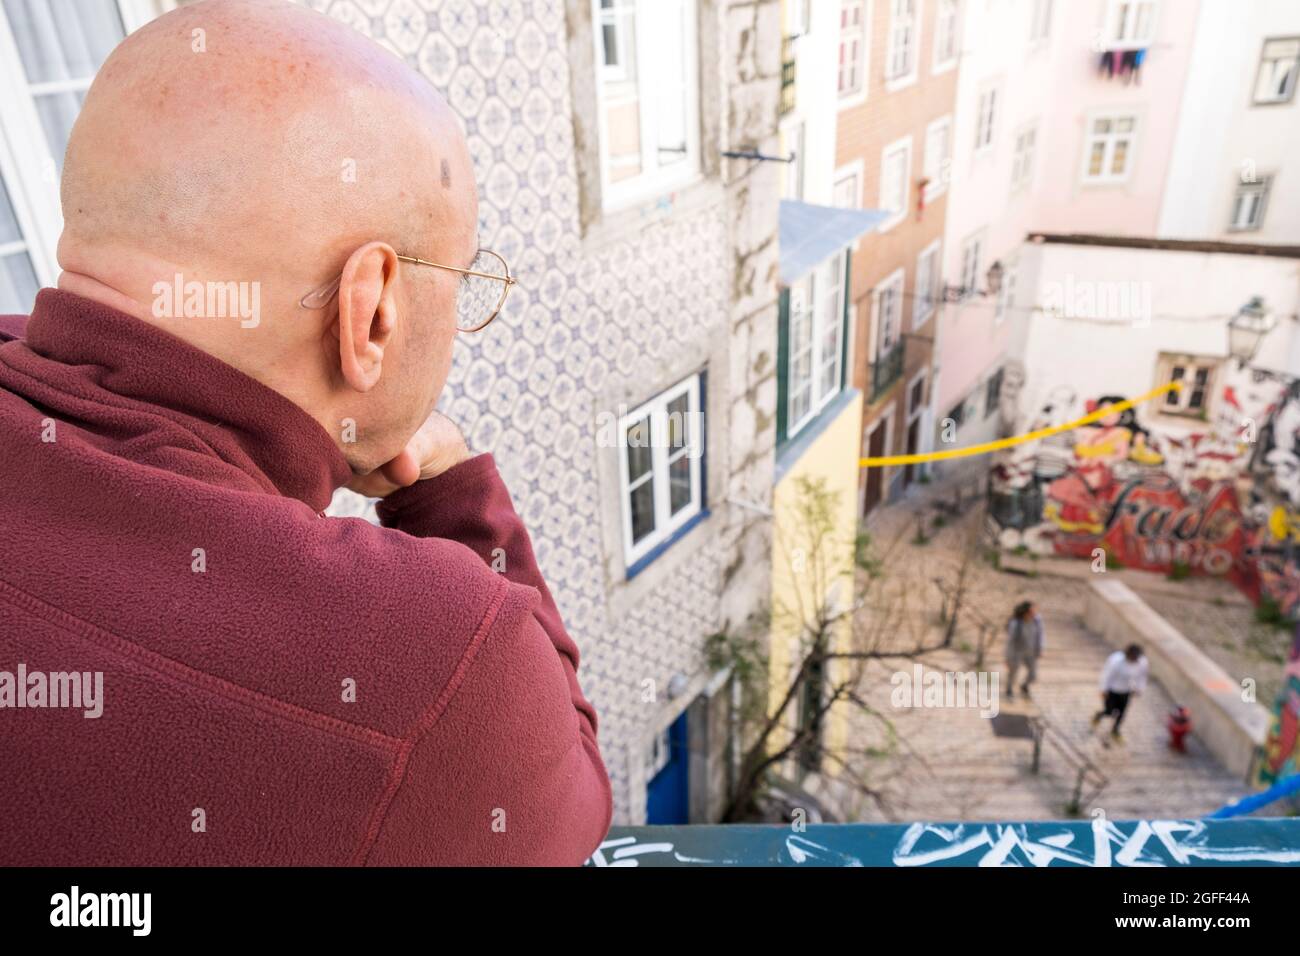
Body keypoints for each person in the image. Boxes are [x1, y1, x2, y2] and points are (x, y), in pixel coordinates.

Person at [0, 0, 611, 865]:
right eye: (462, 279)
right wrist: (456, 496)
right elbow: (571, 800)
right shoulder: (438, 672)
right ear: (369, 312)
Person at [1093, 643, 1149, 744]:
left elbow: (1142, 676)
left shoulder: (1142, 662)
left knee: (1122, 713)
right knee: (1109, 711)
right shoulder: (1116, 661)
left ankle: (1115, 730)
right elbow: (1107, 675)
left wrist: (1139, 689)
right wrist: (1103, 689)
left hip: (1126, 691)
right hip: (1113, 690)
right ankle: (1098, 715)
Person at [1005, 600, 1044, 701]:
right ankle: (1009, 689)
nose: (1034, 613)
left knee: (1033, 674)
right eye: (1031, 611)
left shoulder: (1036, 621)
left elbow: (1040, 636)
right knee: (1013, 672)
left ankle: (1024, 685)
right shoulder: (1016, 624)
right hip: (1017, 651)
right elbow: (1010, 642)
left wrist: (1040, 649)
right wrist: (1008, 657)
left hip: (1030, 652)